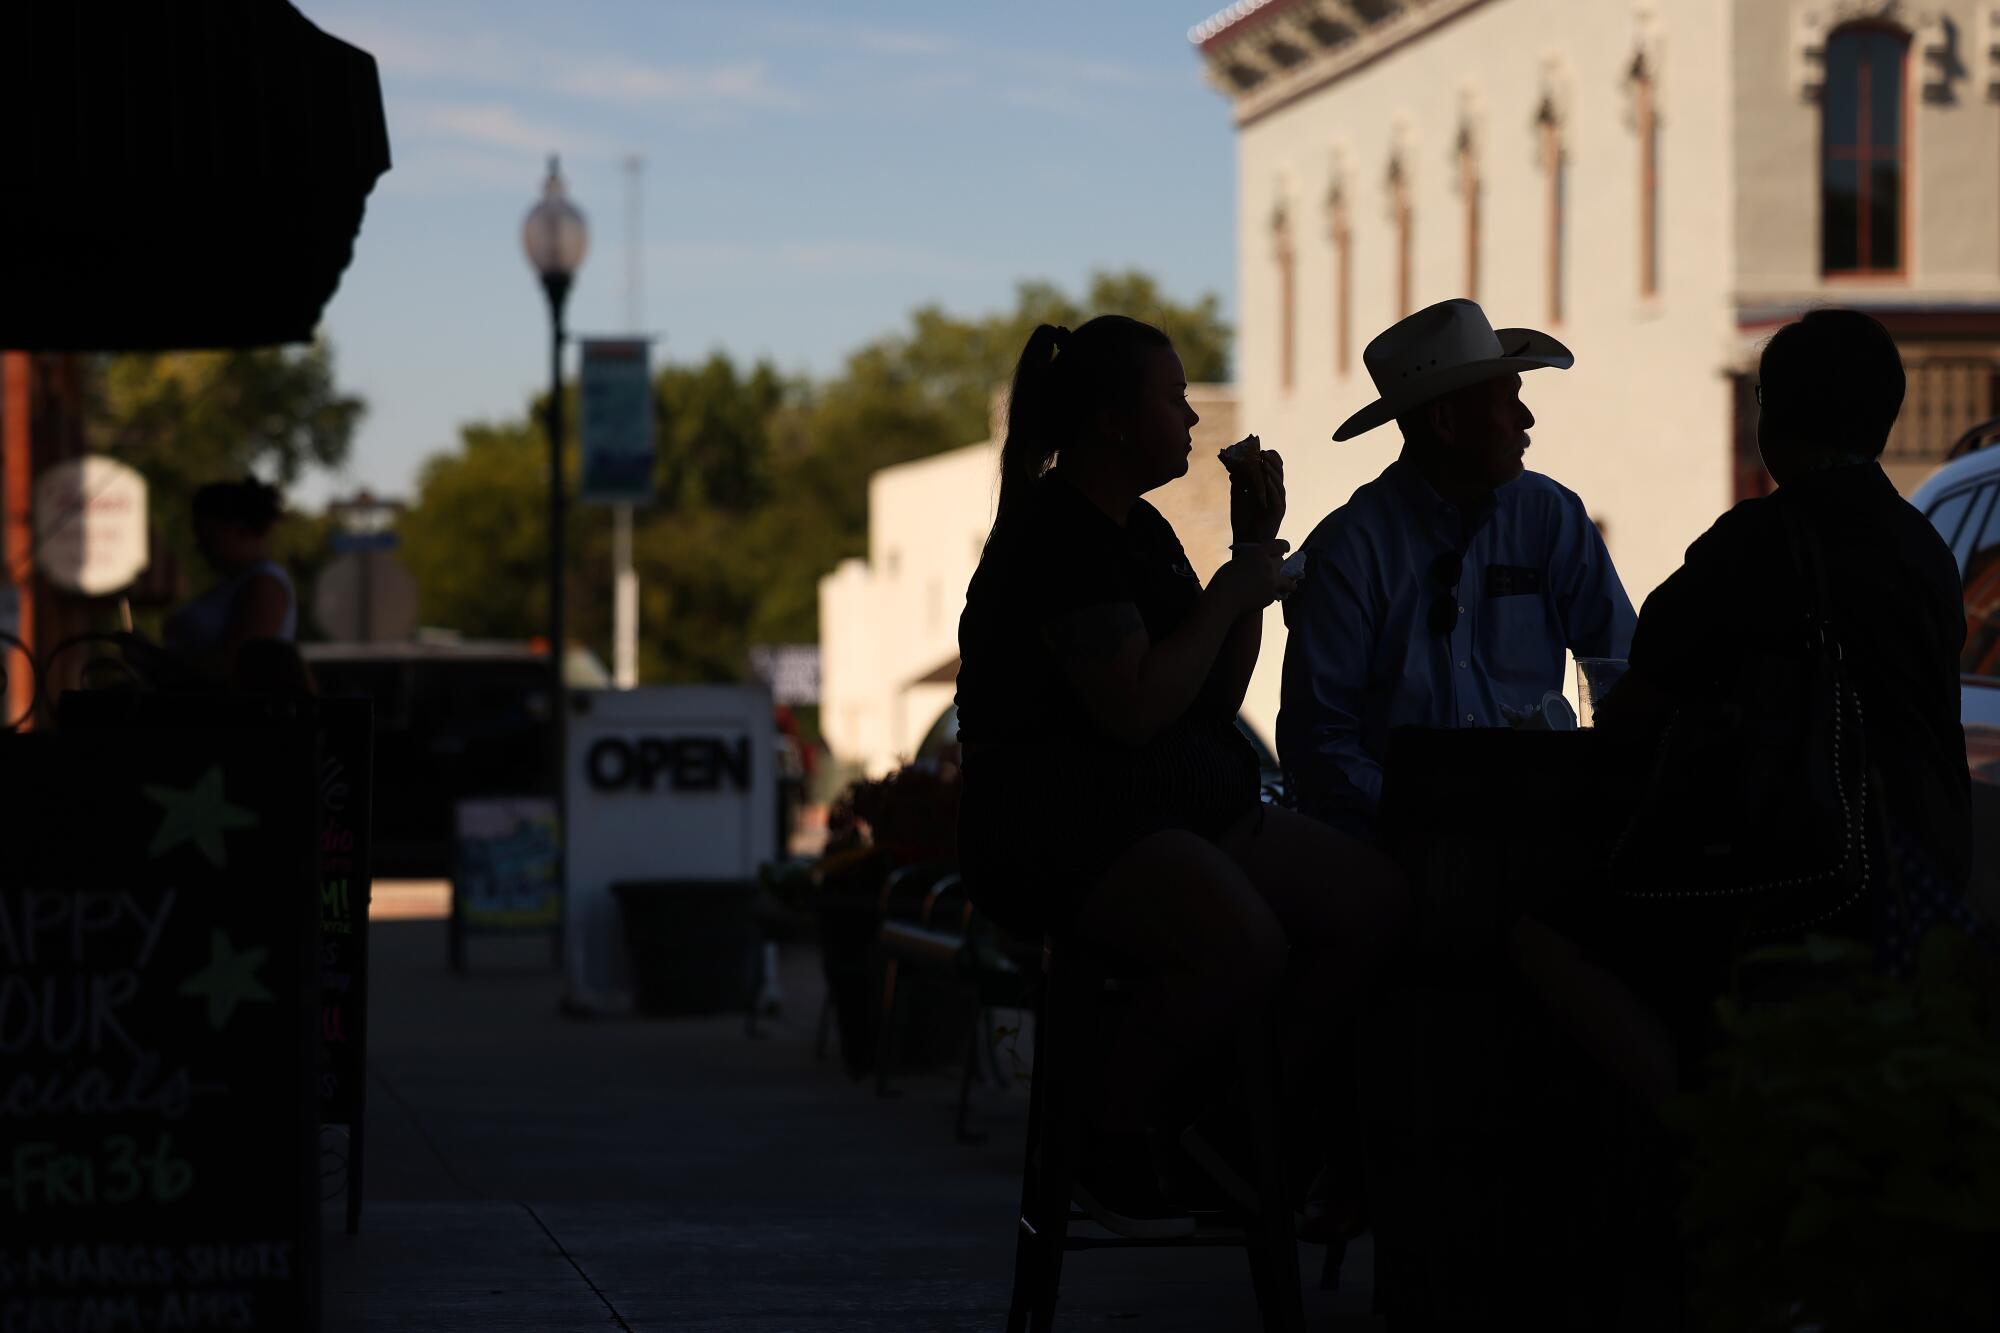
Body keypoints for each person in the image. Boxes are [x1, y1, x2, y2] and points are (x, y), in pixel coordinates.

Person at [954, 315, 1407, 1237]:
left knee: (1376, 905)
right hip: (1067, 828)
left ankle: (1236, 1138)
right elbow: (1132, 709)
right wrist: (1234, 593)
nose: (1195, 418)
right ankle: (1108, 1140)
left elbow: (1211, 693)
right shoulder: (1059, 537)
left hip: (1172, 804)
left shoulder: (1143, 528)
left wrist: (1247, 557)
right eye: (1174, 397)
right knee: (1244, 943)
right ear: (1114, 422)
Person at [1514, 308, 1976, 1111]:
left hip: (1791, 875)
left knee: (1538, 935)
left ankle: (1692, 1132)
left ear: (1775, 414)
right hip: (1921, 873)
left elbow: (1638, 711)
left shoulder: (1752, 545)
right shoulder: (1925, 546)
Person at [1277, 298, 1636, 841]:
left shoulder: (1550, 516)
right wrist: (1432, 823)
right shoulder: (1348, 551)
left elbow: (1622, 676)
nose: (1526, 419)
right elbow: (1321, 746)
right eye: (1508, 399)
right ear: (1445, 423)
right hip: (1393, 855)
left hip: (1539, 836)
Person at [160, 476, 297, 679]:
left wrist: (157, 660)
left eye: (207, 536)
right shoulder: (238, 584)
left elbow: (237, 668)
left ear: (238, 530)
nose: (200, 548)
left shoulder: (265, 586)